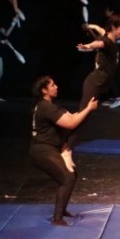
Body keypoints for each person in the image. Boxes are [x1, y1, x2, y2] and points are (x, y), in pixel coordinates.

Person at [29, 75, 98, 226]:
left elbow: (72, 116)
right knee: (67, 178)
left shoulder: (49, 106)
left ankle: (62, 210)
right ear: (44, 90)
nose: (56, 87)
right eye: (52, 85)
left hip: (48, 149)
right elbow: (71, 123)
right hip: (42, 151)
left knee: (71, 174)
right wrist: (89, 108)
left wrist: (85, 109)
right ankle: (57, 218)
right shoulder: (46, 107)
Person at [64, 13, 120, 171]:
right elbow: (98, 43)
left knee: (83, 115)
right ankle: (66, 150)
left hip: (102, 85)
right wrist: (87, 46)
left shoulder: (110, 38)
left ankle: (65, 135)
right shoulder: (107, 42)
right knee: (82, 117)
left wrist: (91, 26)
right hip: (94, 83)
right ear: (113, 27)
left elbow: (101, 31)